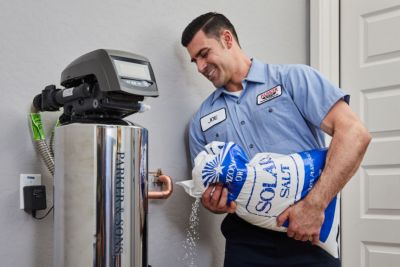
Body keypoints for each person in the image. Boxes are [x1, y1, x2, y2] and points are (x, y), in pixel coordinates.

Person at [181, 12, 371, 267]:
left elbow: (355, 135)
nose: (200, 67)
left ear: (227, 39)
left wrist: (314, 207)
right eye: (194, 61)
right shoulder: (201, 120)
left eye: (204, 54)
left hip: (308, 234)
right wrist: (212, 203)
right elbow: (208, 191)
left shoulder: (292, 79)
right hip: (244, 246)